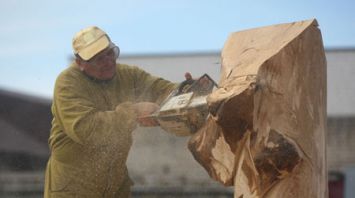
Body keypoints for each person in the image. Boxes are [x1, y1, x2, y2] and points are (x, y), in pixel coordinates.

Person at [44, 26, 177, 198]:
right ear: (80, 63)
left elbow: (163, 90)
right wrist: (134, 112)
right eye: (98, 59)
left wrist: (189, 90)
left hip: (115, 188)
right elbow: (87, 129)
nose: (108, 61)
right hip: (73, 190)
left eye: (110, 53)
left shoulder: (128, 75)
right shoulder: (68, 83)